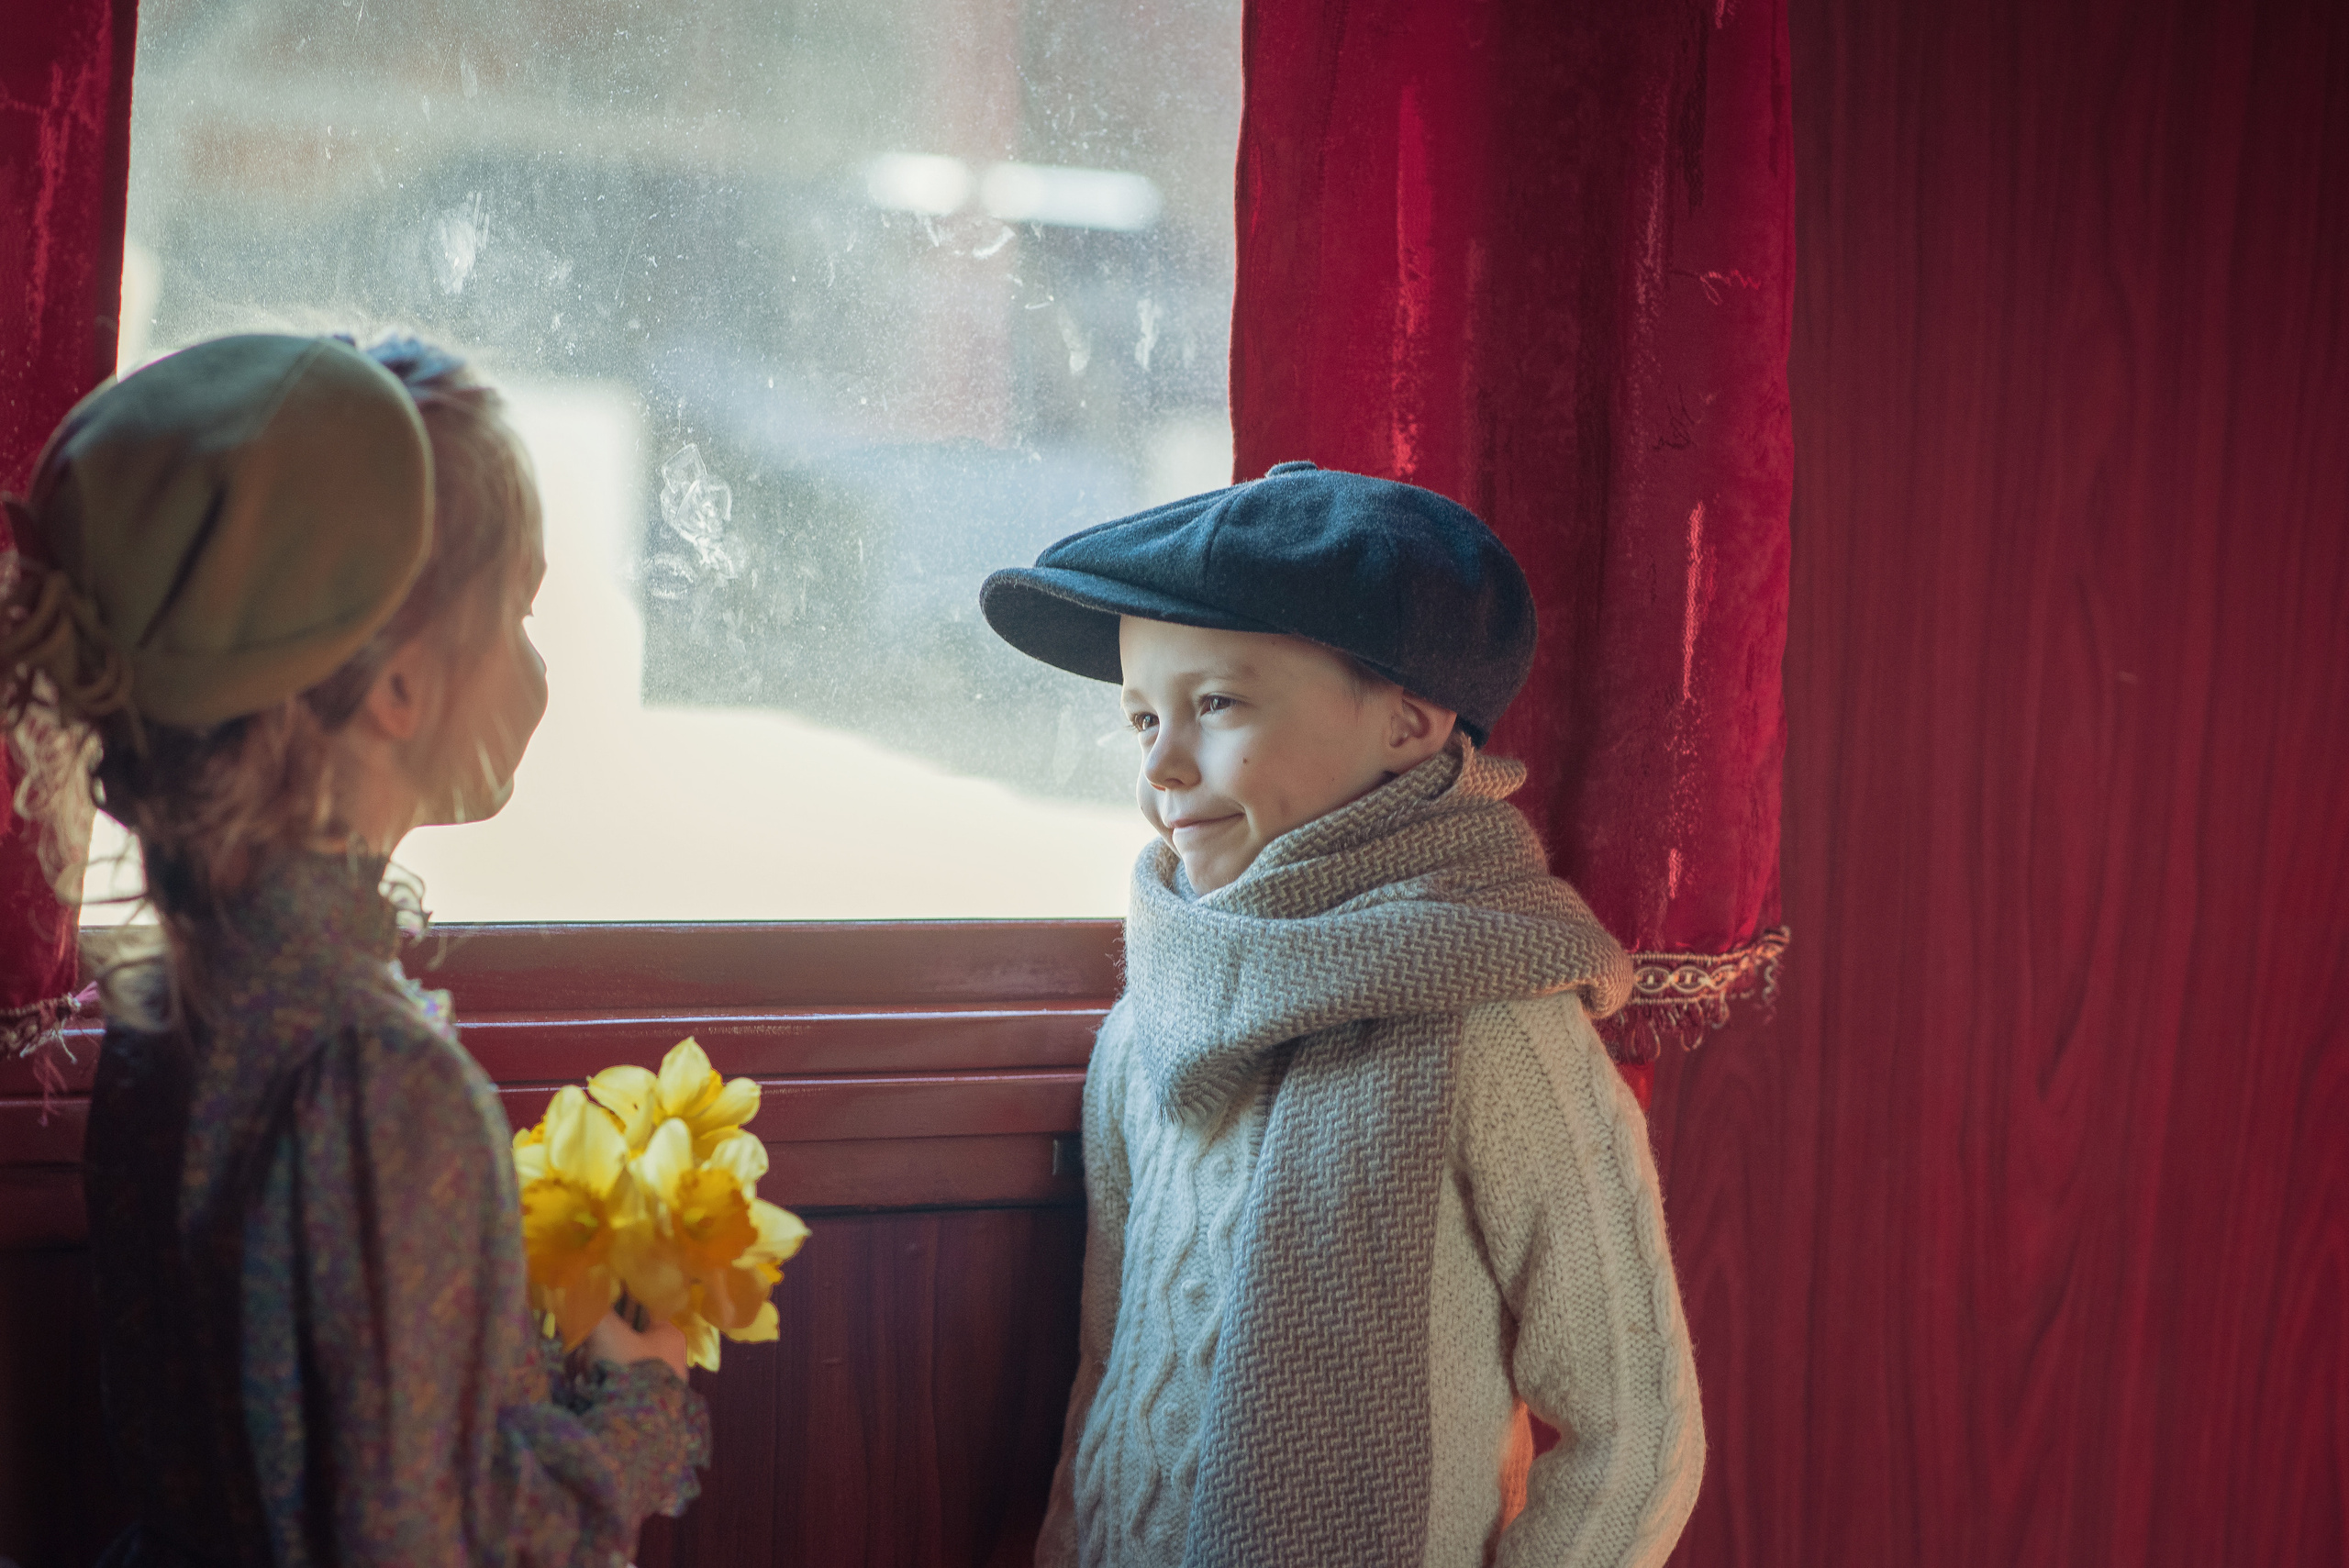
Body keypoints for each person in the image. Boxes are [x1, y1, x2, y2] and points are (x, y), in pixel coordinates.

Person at [0, 334, 708, 1565]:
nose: (538, 665)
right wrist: (634, 1396)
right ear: (396, 690)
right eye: (520, 610)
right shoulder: (378, 1082)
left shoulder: (168, 1009)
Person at [980, 462, 1704, 1568]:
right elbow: (1113, 1368)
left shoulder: (1489, 1025)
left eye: (1215, 703)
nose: (1162, 765)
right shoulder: (1148, 1021)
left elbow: (1636, 1433)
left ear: (1409, 723)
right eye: (1140, 719)